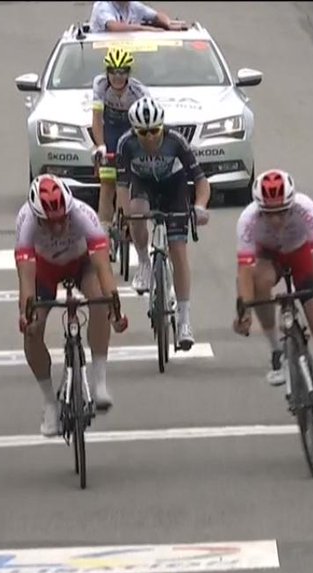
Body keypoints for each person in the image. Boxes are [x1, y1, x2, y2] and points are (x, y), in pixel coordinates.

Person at [233, 170, 313, 445]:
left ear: (292, 204)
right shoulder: (248, 220)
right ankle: (277, 350)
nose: (275, 219)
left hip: (301, 255)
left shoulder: (307, 210)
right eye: (268, 213)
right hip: (268, 257)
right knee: (260, 284)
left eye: (283, 212)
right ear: (258, 208)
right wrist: (244, 312)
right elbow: (245, 271)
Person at [16, 174, 128, 437]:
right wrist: (26, 314)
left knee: (99, 300)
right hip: (44, 271)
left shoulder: (82, 214)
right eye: (49, 223)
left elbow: (103, 267)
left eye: (61, 220)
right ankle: (49, 403)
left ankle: (99, 382)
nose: (57, 228)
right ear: (36, 216)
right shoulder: (26, 222)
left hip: (81, 264)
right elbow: (26, 279)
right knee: (33, 329)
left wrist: (116, 310)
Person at [115, 96, 211, 350]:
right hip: (144, 185)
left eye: (154, 131)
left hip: (173, 186)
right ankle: (145, 263)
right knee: (136, 210)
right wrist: (124, 215)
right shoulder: (126, 144)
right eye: (142, 133)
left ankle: (184, 319)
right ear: (134, 131)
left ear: (162, 127)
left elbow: (201, 180)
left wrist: (200, 207)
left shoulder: (175, 141)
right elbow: (122, 186)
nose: (148, 138)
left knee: (178, 252)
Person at [90, 46, 149, 227]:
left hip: (131, 130)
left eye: (122, 72)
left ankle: (127, 225)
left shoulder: (139, 92)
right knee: (107, 184)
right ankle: (105, 229)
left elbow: (146, 124)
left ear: (128, 73)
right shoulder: (100, 85)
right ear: (107, 72)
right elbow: (97, 120)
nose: (117, 77)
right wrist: (100, 146)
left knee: (126, 185)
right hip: (111, 131)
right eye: (113, 72)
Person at [88, 1, 187, 32]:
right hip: (101, 52)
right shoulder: (102, 6)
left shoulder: (134, 6)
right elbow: (113, 26)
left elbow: (157, 16)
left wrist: (168, 24)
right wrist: (144, 28)